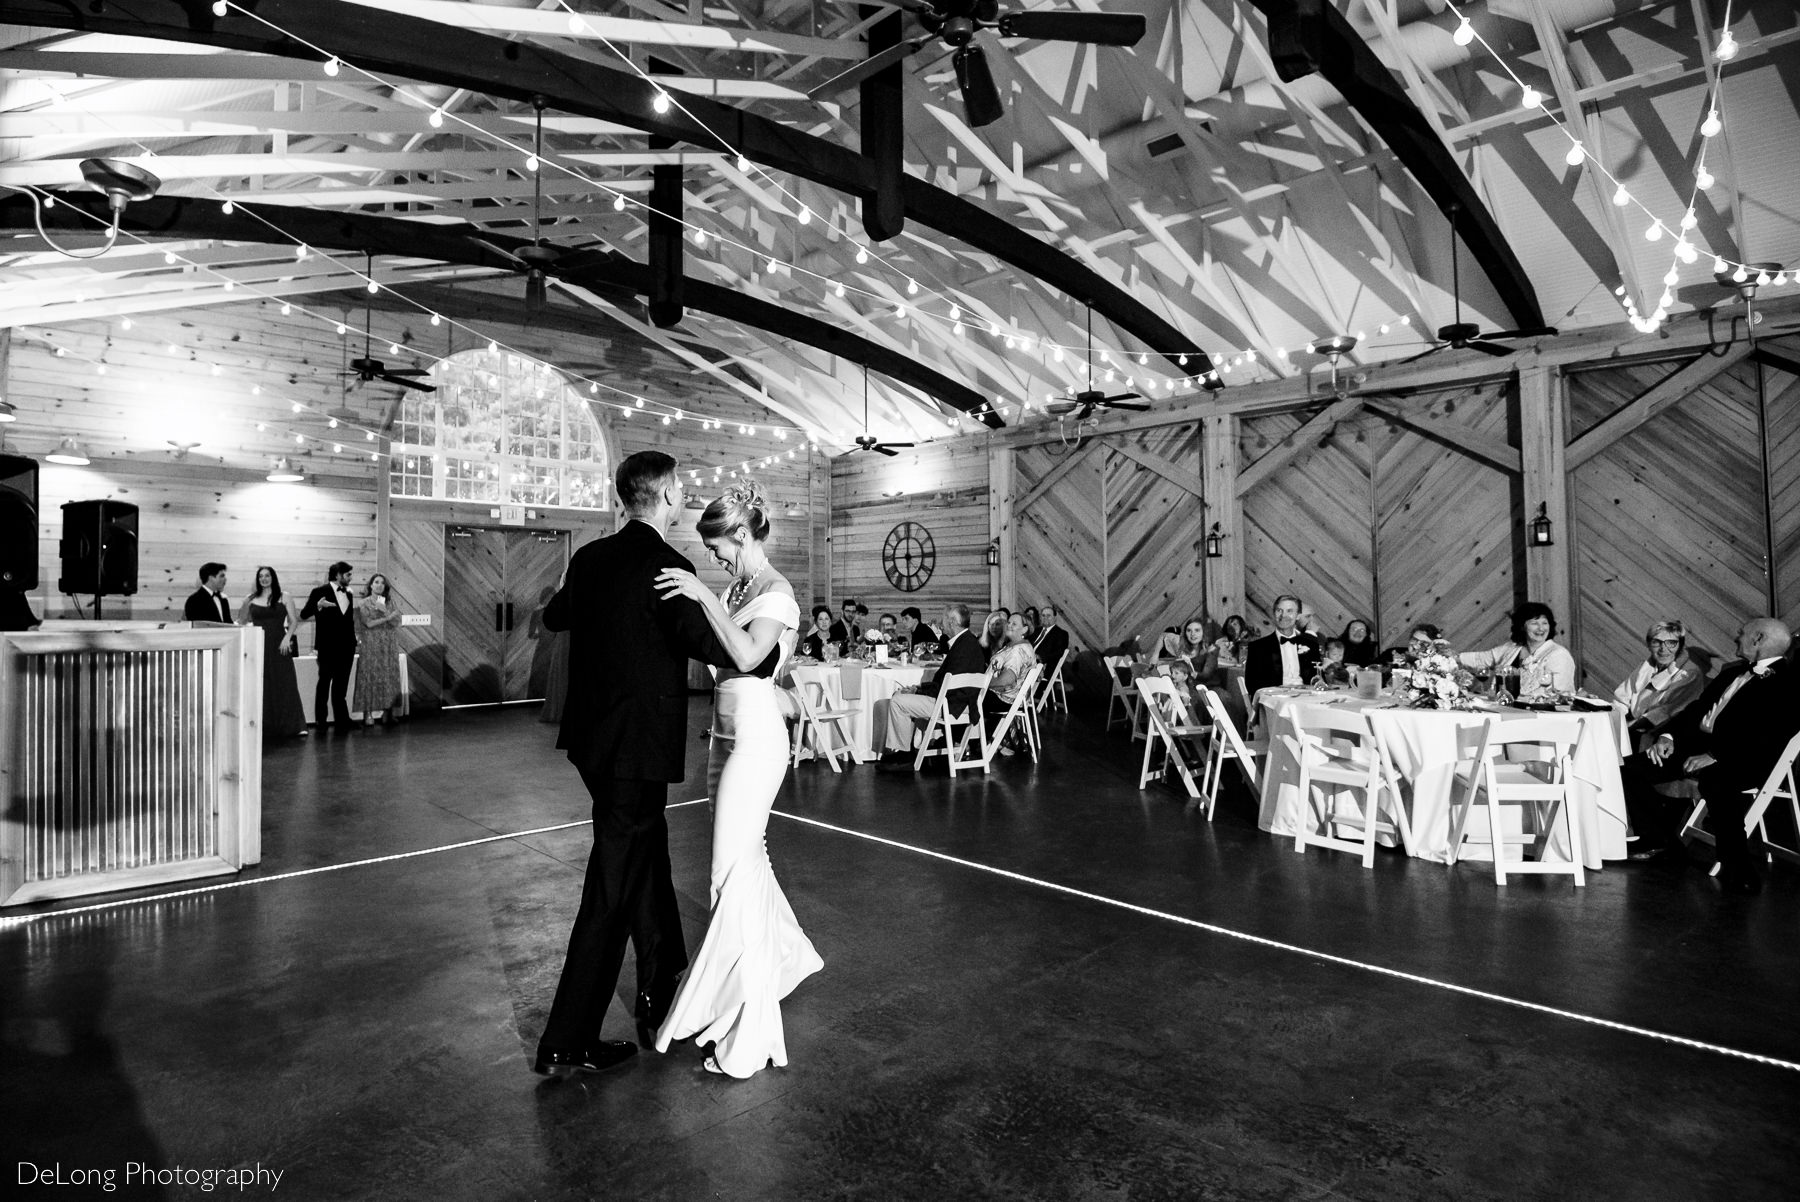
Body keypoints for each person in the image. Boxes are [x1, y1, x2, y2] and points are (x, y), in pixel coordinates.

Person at [532, 451, 737, 1079]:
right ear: (668, 495)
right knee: (612, 883)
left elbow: (555, 615)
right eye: (680, 491)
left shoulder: (591, 558)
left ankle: (661, 987)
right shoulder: (668, 567)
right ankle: (567, 1040)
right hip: (636, 747)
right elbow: (712, 648)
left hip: (594, 745)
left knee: (647, 855)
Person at [652, 481, 821, 1078]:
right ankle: (783, 957)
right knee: (749, 860)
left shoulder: (777, 592)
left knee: (729, 871)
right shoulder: (738, 587)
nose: (714, 559)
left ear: (743, 536)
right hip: (723, 737)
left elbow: (749, 658)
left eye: (718, 548)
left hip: (756, 740)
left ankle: (750, 1032)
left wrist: (701, 595)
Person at [1620, 618, 1799, 894]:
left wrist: (1715, 755)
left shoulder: (1787, 682)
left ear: (1759, 639)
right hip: (1698, 748)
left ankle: (1739, 870)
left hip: (1744, 758)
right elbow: (1696, 710)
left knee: (1718, 782)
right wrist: (1668, 738)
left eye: (1742, 634)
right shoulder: (1732, 672)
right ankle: (1663, 842)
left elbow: (1767, 735)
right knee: (1629, 768)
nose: (1736, 637)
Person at [876, 603, 986, 765]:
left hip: (953, 705)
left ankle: (903, 754)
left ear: (953, 622)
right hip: (960, 701)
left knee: (898, 700)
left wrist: (919, 690)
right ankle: (910, 746)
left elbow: (946, 684)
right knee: (901, 695)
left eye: (944, 620)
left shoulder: (963, 646)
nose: (941, 625)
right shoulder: (967, 642)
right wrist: (919, 689)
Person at [1613, 620, 1710, 751]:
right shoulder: (1646, 666)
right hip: (1631, 728)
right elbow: (1622, 697)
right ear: (1648, 645)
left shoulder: (1689, 674)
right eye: (1657, 642)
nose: (1663, 649)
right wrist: (1616, 722)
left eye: (1671, 643)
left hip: (1662, 738)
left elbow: (1666, 712)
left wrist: (1627, 728)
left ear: (1680, 646)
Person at [236, 566, 306, 740]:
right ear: (257, 579)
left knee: (285, 683)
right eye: (261, 576)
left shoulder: (285, 596)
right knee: (262, 684)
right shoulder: (250, 599)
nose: (264, 579)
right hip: (257, 645)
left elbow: (293, 621)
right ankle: (263, 726)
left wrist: (287, 638)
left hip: (279, 644)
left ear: (273, 577)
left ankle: (294, 725)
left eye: (267, 576)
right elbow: (241, 621)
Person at [1459, 602, 1578, 696]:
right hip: (1506, 708)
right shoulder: (1512, 648)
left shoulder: (1559, 654)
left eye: (1545, 623)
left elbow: (1557, 691)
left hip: (1542, 716)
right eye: (1534, 623)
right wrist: (1453, 657)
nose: (1541, 628)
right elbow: (1482, 659)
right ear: (1522, 626)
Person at [300, 561, 357, 732]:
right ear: (338, 575)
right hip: (328, 647)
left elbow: (348, 619)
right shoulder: (319, 592)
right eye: (348, 574)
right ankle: (321, 721)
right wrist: (318, 605)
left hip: (347, 646)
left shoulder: (349, 593)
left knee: (341, 685)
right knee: (324, 683)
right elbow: (304, 614)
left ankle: (342, 720)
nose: (350, 578)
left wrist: (354, 640)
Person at [981, 612, 1038, 754]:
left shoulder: (1018, 651)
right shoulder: (1015, 645)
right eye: (1009, 622)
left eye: (1014, 624)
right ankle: (979, 740)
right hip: (1007, 696)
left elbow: (1008, 679)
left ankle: (962, 742)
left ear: (1024, 629)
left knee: (962, 697)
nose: (1009, 625)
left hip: (1004, 698)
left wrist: (983, 683)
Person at [354, 572, 404, 727]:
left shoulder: (389, 602)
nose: (379, 585)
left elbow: (397, 621)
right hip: (370, 644)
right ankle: (367, 713)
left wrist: (388, 616)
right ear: (370, 585)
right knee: (369, 677)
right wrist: (388, 618)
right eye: (376, 582)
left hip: (387, 644)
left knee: (388, 676)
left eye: (382, 583)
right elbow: (368, 623)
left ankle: (387, 712)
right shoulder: (363, 603)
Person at [1243, 594, 1318, 697]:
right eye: (1279, 611)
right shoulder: (1258, 647)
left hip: (1306, 699)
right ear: (1274, 614)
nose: (1284, 616)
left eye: (1289, 611)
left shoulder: (1311, 644)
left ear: (1298, 616)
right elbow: (1252, 685)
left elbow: (1317, 679)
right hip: (1275, 700)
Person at [1033, 603, 1069, 673]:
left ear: (1055, 618)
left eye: (1048, 615)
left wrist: (1040, 657)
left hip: (1042, 665)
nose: (1045, 618)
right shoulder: (1036, 630)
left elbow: (1058, 653)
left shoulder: (1061, 634)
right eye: (1043, 615)